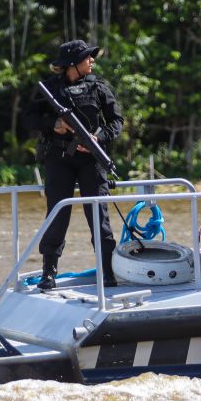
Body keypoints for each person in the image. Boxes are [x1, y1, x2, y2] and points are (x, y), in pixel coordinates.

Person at [23, 40, 124, 290]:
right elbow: (29, 118)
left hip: (92, 159)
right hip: (59, 159)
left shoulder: (99, 87)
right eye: (86, 57)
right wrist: (54, 125)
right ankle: (49, 272)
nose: (92, 61)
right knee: (57, 214)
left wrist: (96, 138)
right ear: (71, 64)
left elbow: (117, 121)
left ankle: (107, 271)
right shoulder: (48, 89)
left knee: (99, 216)